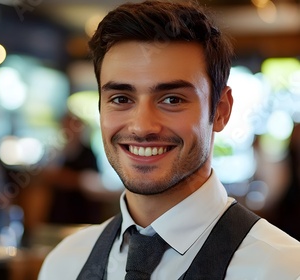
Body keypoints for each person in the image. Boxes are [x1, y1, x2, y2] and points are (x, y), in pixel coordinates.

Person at [38, 1, 300, 279]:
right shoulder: (64, 264)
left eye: (172, 99)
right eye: (121, 99)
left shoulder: (282, 267)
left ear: (221, 110)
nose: (142, 127)